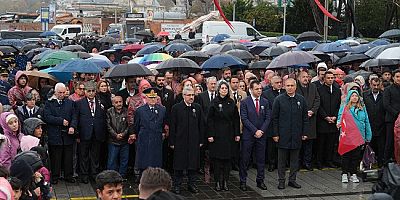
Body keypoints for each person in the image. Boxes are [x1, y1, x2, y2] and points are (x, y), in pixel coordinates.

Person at [272, 78, 309, 190]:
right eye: (287, 85)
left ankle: (292, 180)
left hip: (296, 134)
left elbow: (305, 118)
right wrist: (275, 134)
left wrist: (305, 132)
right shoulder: (279, 100)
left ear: (295, 86)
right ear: (284, 86)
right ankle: (281, 181)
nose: (290, 87)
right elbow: (274, 118)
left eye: (292, 85)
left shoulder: (301, 100)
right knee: (282, 160)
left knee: (294, 160)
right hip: (283, 135)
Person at [169, 86, 204, 194]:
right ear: (183, 96)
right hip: (180, 141)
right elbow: (172, 126)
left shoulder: (197, 108)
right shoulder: (176, 108)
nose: (191, 97)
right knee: (179, 165)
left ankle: (191, 184)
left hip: (194, 141)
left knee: (193, 165)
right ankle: (177, 185)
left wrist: (201, 140)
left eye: (193, 95)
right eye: (189, 95)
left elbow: (201, 125)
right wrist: (172, 142)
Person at [207, 80, 240, 191]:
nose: (224, 90)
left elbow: (236, 119)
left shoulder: (231, 102)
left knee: (227, 160)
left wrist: (237, 133)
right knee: (217, 161)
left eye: (226, 88)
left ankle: (225, 182)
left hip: (229, 135)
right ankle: (217, 182)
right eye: (222, 88)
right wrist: (210, 134)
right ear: (218, 90)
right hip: (217, 136)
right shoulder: (214, 102)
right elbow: (210, 120)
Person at [239, 80, 271, 191]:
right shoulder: (245, 102)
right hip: (249, 135)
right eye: (257, 89)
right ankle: (243, 181)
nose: (259, 91)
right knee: (245, 159)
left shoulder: (265, 102)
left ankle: (260, 180)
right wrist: (255, 131)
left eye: (260, 89)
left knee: (261, 159)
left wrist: (261, 131)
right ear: (251, 89)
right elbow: (244, 118)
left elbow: (267, 118)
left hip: (261, 135)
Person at [43, 83, 77, 184]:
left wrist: (72, 126)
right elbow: (47, 117)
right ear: (55, 92)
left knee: (68, 157)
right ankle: (55, 176)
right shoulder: (49, 103)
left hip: (67, 135)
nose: (62, 94)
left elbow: (74, 116)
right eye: (60, 93)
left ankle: (68, 175)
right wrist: (61, 121)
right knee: (55, 157)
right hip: (55, 135)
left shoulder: (70, 103)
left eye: (64, 92)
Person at [75, 81, 107, 184]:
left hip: (97, 133)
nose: (91, 93)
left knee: (95, 155)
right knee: (83, 155)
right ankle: (84, 175)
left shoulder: (100, 103)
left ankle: (94, 174)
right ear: (85, 92)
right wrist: (77, 134)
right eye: (89, 91)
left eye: (93, 91)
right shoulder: (79, 103)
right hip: (84, 133)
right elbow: (76, 119)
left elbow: (103, 118)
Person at [337, 90, 372, 183]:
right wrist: (338, 123)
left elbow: (367, 121)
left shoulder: (362, 108)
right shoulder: (345, 107)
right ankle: (344, 173)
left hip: (359, 137)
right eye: (352, 95)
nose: (355, 97)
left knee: (355, 156)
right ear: (349, 97)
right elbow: (340, 118)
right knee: (346, 155)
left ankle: (353, 174)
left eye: (356, 96)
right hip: (348, 136)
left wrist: (368, 135)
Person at [132, 88, 167, 175]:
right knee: (144, 161)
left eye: (154, 97)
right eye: (150, 97)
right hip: (145, 138)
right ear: (146, 98)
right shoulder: (140, 110)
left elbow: (163, 124)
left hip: (156, 139)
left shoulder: (162, 109)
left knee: (156, 161)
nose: (152, 99)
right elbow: (136, 125)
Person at [316, 71, 341, 169]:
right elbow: (319, 105)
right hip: (323, 121)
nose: (330, 79)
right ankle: (319, 162)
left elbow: (338, 105)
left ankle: (329, 160)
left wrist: (334, 116)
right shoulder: (319, 90)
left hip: (333, 121)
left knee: (331, 143)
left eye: (332, 78)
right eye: (328, 78)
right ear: (324, 79)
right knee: (321, 143)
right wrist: (326, 117)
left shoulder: (337, 90)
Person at [296, 71, 320, 171]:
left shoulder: (313, 87)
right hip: (299, 119)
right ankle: (297, 163)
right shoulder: (295, 87)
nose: (306, 79)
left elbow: (317, 99)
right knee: (299, 142)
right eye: (303, 77)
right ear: (299, 78)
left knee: (309, 142)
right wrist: (303, 112)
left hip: (311, 118)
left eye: (307, 77)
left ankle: (307, 162)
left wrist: (312, 111)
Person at [262, 75, 284, 172]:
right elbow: (266, 109)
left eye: (280, 82)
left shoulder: (285, 92)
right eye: (277, 83)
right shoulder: (266, 94)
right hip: (271, 123)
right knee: (271, 145)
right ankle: (271, 163)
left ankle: (282, 163)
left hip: (283, 123)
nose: (279, 84)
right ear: (271, 84)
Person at [363, 77, 386, 167]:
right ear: (370, 85)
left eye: (377, 85)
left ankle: (381, 165)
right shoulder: (365, 95)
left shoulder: (384, 95)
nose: (376, 87)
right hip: (369, 125)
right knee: (369, 147)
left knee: (381, 147)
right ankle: (368, 165)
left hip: (381, 125)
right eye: (374, 85)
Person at [106, 96, 129, 178]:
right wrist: (115, 135)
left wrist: (123, 134)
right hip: (113, 140)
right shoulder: (109, 111)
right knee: (112, 160)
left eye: (120, 102)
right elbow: (108, 125)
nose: (119, 104)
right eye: (116, 102)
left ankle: (122, 176)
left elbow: (129, 125)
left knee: (124, 160)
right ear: (113, 103)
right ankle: (110, 177)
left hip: (124, 140)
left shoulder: (127, 111)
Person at [383, 69, 400, 162]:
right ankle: (386, 161)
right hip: (391, 119)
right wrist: (397, 114)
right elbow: (386, 105)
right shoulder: (388, 89)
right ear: (393, 78)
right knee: (389, 141)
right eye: (397, 77)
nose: (399, 79)